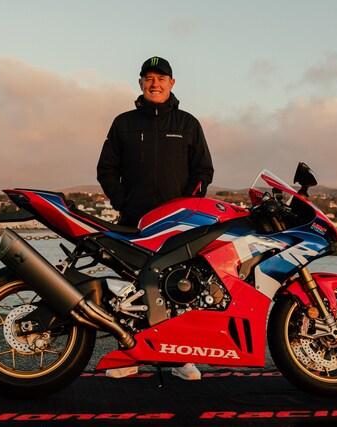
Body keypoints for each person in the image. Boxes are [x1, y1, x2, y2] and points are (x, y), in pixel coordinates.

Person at [97, 56, 214, 380]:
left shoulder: (188, 124)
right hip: (134, 221)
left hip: (178, 224)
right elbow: (106, 169)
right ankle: (129, 356)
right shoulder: (123, 123)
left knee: (178, 288)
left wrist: (188, 206)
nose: (155, 83)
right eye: (149, 78)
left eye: (161, 78)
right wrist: (123, 201)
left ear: (171, 83)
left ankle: (179, 359)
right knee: (132, 290)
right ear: (140, 83)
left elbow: (203, 171)